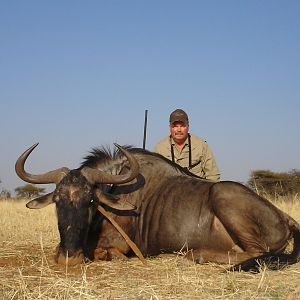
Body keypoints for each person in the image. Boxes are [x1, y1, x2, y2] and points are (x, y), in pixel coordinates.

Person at [153, 109, 220, 181]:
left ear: (188, 126)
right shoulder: (159, 149)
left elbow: (213, 175)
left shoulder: (202, 146)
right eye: (175, 126)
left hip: (197, 190)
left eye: (182, 126)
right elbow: (154, 176)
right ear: (170, 127)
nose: (179, 130)